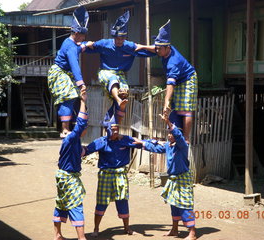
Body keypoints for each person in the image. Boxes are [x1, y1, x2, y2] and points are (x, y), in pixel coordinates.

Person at [133, 111, 196, 240]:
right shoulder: (167, 146)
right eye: (168, 132)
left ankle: (192, 233)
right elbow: (154, 147)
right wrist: (140, 143)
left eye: (171, 132)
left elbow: (179, 136)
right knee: (174, 204)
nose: (169, 135)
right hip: (173, 179)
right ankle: (174, 229)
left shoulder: (183, 145)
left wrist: (168, 121)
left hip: (182, 179)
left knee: (185, 205)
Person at [85, 10, 155, 124]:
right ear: (113, 36)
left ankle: (113, 123)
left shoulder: (129, 46)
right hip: (105, 72)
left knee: (124, 93)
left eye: (122, 39)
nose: (120, 41)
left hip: (120, 74)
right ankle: (117, 100)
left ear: (125, 37)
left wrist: (144, 46)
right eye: (117, 38)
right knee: (113, 80)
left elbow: (152, 52)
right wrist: (85, 44)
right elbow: (87, 47)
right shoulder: (104, 44)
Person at [136, 19, 198, 142]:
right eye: (157, 48)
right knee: (177, 108)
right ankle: (175, 135)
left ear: (167, 47)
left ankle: (186, 138)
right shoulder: (164, 50)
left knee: (185, 109)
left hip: (188, 79)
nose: (157, 51)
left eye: (159, 49)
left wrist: (166, 102)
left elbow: (170, 84)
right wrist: (142, 46)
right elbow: (154, 48)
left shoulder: (173, 62)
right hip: (178, 79)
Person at [83, 112, 142, 237]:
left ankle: (127, 228)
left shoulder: (124, 139)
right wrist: (74, 150)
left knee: (122, 200)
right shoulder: (101, 142)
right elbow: (86, 150)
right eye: (113, 130)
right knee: (101, 202)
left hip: (120, 174)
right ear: (106, 130)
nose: (115, 132)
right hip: (105, 175)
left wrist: (157, 145)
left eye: (117, 130)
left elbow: (141, 144)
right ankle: (96, 229)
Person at [48, 6, 91, 138]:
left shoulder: (71, 43)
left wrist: (84, 46)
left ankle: (72, 124)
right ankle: (65, 129)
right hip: (59, 73)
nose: (83, 39)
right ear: (77, 34)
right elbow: (75, 66)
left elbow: (78, 48)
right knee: (70, 96)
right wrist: (81, 83)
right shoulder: (71, 47)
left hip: (65, 73)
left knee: (76, 98)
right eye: (83, 36)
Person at [52, 86, 89, 240]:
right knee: (75, 204)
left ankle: (58, 235)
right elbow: (81, 123)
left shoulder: (72, 142)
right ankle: (82, 238)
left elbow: (84, 149)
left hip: (62, 176)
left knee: (61, 203)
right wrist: (83, 101)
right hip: (68, 178)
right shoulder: (70, 139)